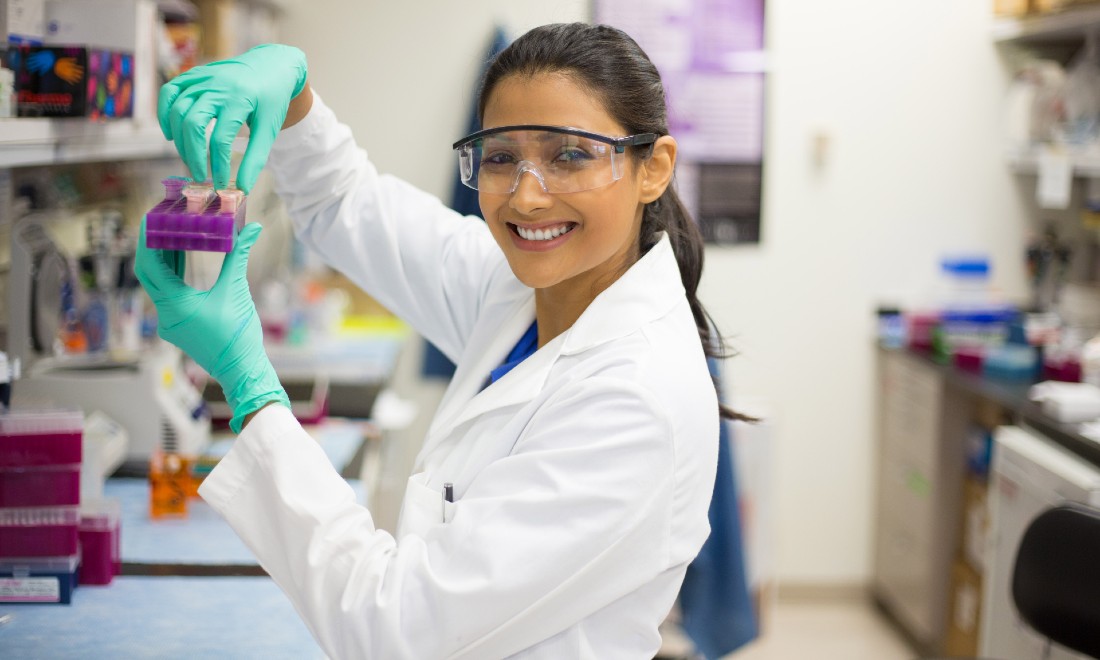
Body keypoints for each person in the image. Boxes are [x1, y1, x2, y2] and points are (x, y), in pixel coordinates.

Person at [136, 22, 737, 659]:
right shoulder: (519, 290)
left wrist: (250, 384)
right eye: (502, 157)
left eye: (571, 155)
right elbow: (347, 204)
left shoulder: (636, 401)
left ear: (654, 168)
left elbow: (396, 633)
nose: (528, 197)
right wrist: (296, 101)